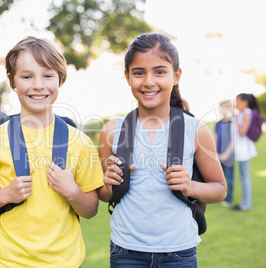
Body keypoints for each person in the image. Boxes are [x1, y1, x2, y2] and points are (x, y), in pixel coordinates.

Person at [0, 36, 104, 267]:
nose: (38, 85)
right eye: (27, 76)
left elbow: (90, 210)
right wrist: (5, 195)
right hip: (12, 263)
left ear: (60, 79)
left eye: (48, 76)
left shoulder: (79, 141)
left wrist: (73, 192)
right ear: (12, 80)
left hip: (66, 262)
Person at [97, 33, 227, 267]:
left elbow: (219, 189)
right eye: (138, 72)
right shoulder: (111, 131)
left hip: (178, 252)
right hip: (125, 251)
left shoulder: (195, 129)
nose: (148, 81)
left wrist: (190, 186)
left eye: (159, 71)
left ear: (176, 76)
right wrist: (108, 184)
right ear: (127, 77)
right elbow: (105, 194)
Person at [231, 93, 259, 211]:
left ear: (244, 102)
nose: (236, 104)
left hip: (244, 151)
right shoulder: (242, 113)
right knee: (243, 177)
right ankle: (245, 203)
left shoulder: (246, 113)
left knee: (245, 177)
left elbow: (242, 132)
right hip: (240, 150)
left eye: (238, 102)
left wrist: (236, 118)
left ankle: (246, 204)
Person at [215, 100, 234, 207]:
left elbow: (233, 141)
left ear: (230, 108)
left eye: (224, 108)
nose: (222, 110)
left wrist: (226, 155)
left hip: (228, 156)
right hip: (218, 155)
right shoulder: (219, 123)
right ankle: (218, 196)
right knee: (218, 177)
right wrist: (215, 153)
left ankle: (228, 198)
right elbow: (216, 138)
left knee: (229, 178)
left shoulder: (232, 123)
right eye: (221, 108)